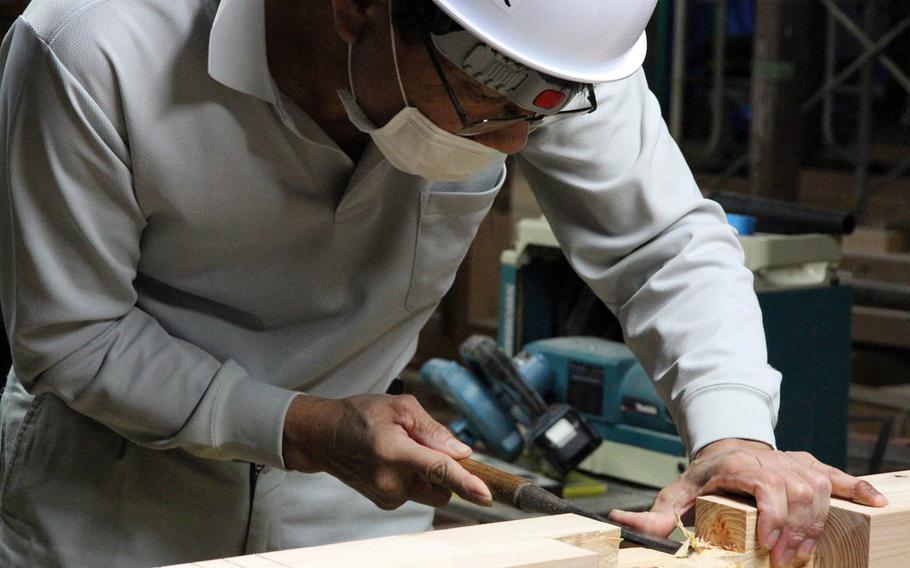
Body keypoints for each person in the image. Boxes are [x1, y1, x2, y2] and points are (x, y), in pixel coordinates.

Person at [0, 0, 886, 567]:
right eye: (481, 107)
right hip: (111, 506)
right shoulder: (89, 47)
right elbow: (75, 334)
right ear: (356, 10)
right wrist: (304, 428)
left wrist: (732, 432)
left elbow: (662, 241)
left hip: (356, 515)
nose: (510, 147)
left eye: (536, 117)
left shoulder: (533, 49)